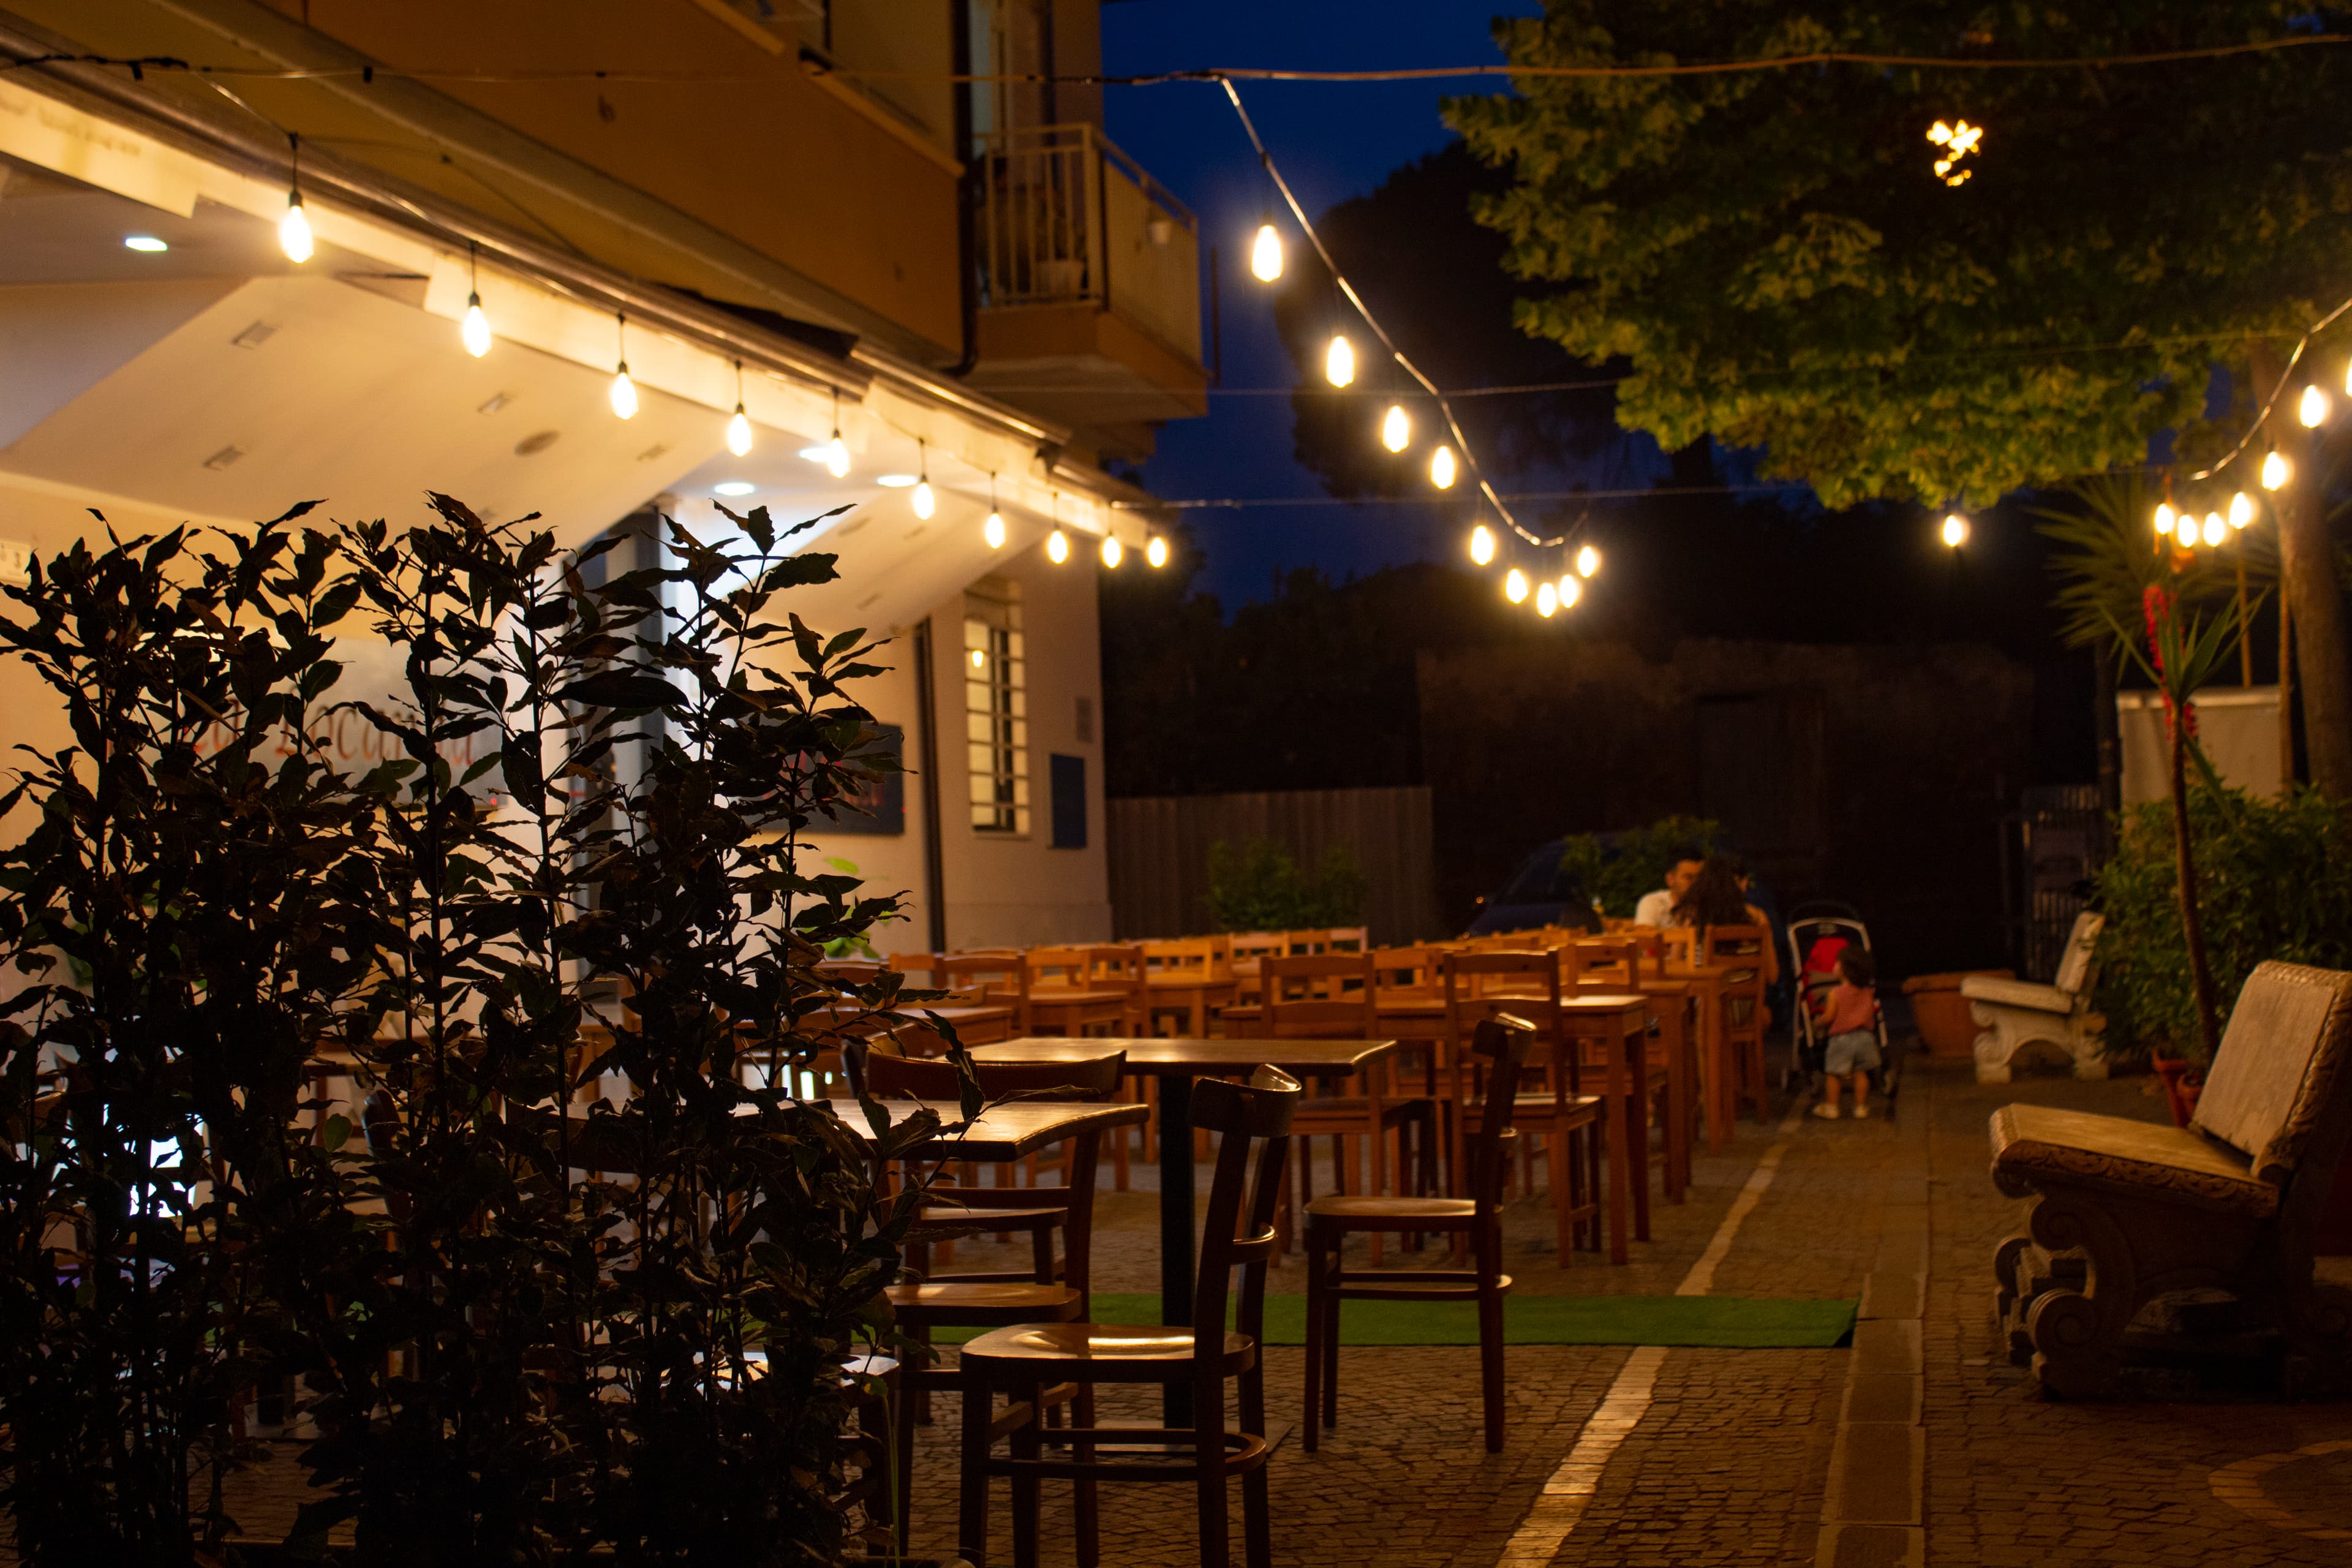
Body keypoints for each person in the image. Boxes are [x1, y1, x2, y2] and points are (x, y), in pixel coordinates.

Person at [1666, 855, 1781, 984]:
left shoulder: (1690, 916)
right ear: (1740, 883)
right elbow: (1772, 976)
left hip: (1702, 1001)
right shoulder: (1758, 918)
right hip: (1744, 1002)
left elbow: (1674, 967)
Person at [1811, 948, 1881, 1120]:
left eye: (1836, 963)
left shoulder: (1836, 993)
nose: (1833, 966)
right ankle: (1860, 1108)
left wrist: (1818, 1022)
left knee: (1834, 1074)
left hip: (1841, 1040)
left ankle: (1832, 1107)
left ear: (1844, 969)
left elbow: (1829, 1017)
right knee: (1861, 1073)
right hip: (1865, 1038)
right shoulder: (1868, 992)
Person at [1633, 849, 1706, 928]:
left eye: (1700, 878)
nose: (1696, 883)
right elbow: (1644, 937)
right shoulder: (1654, 903)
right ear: (1670, 880)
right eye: (1689, 878)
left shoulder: (1708, 905)